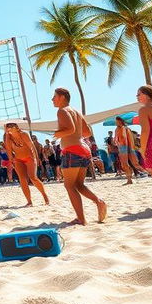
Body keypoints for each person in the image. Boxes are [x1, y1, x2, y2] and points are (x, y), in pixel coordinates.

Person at [52, 88, 107, 225]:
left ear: (62, 97)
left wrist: (58, 133)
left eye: (54, 96)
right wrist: (74, 137)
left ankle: (81, 219)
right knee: (79, 185)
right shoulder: (76, 111)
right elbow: (87, 132)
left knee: (69, 186)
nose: (52, 99)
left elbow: (70, 129)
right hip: (84, 149)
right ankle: (98, 202)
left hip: (72, 151)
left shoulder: (62, 110)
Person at [3, 124, 50, 206]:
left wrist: (37, 158)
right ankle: (29, 201)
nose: (8, 128)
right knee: (22, 180)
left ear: (16, 128)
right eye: (7, 126)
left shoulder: (24, 134)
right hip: (18, 159)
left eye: (10, 126)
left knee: (33, 178)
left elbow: (32, 147)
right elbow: (9, 151)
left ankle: (45, 196)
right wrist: (11, 161)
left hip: (30, 157)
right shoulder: (8, 137)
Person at [114, 116, 141, 185]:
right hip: (127, 147)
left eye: (116, 121)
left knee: (125, 164)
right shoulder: (125, 128)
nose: (115, 122)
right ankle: (130, 179)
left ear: (119, 121)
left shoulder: (121, 128)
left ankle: (129, 179)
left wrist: (118, 143)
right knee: (134, 163)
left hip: (123, 147)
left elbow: (121, 138)